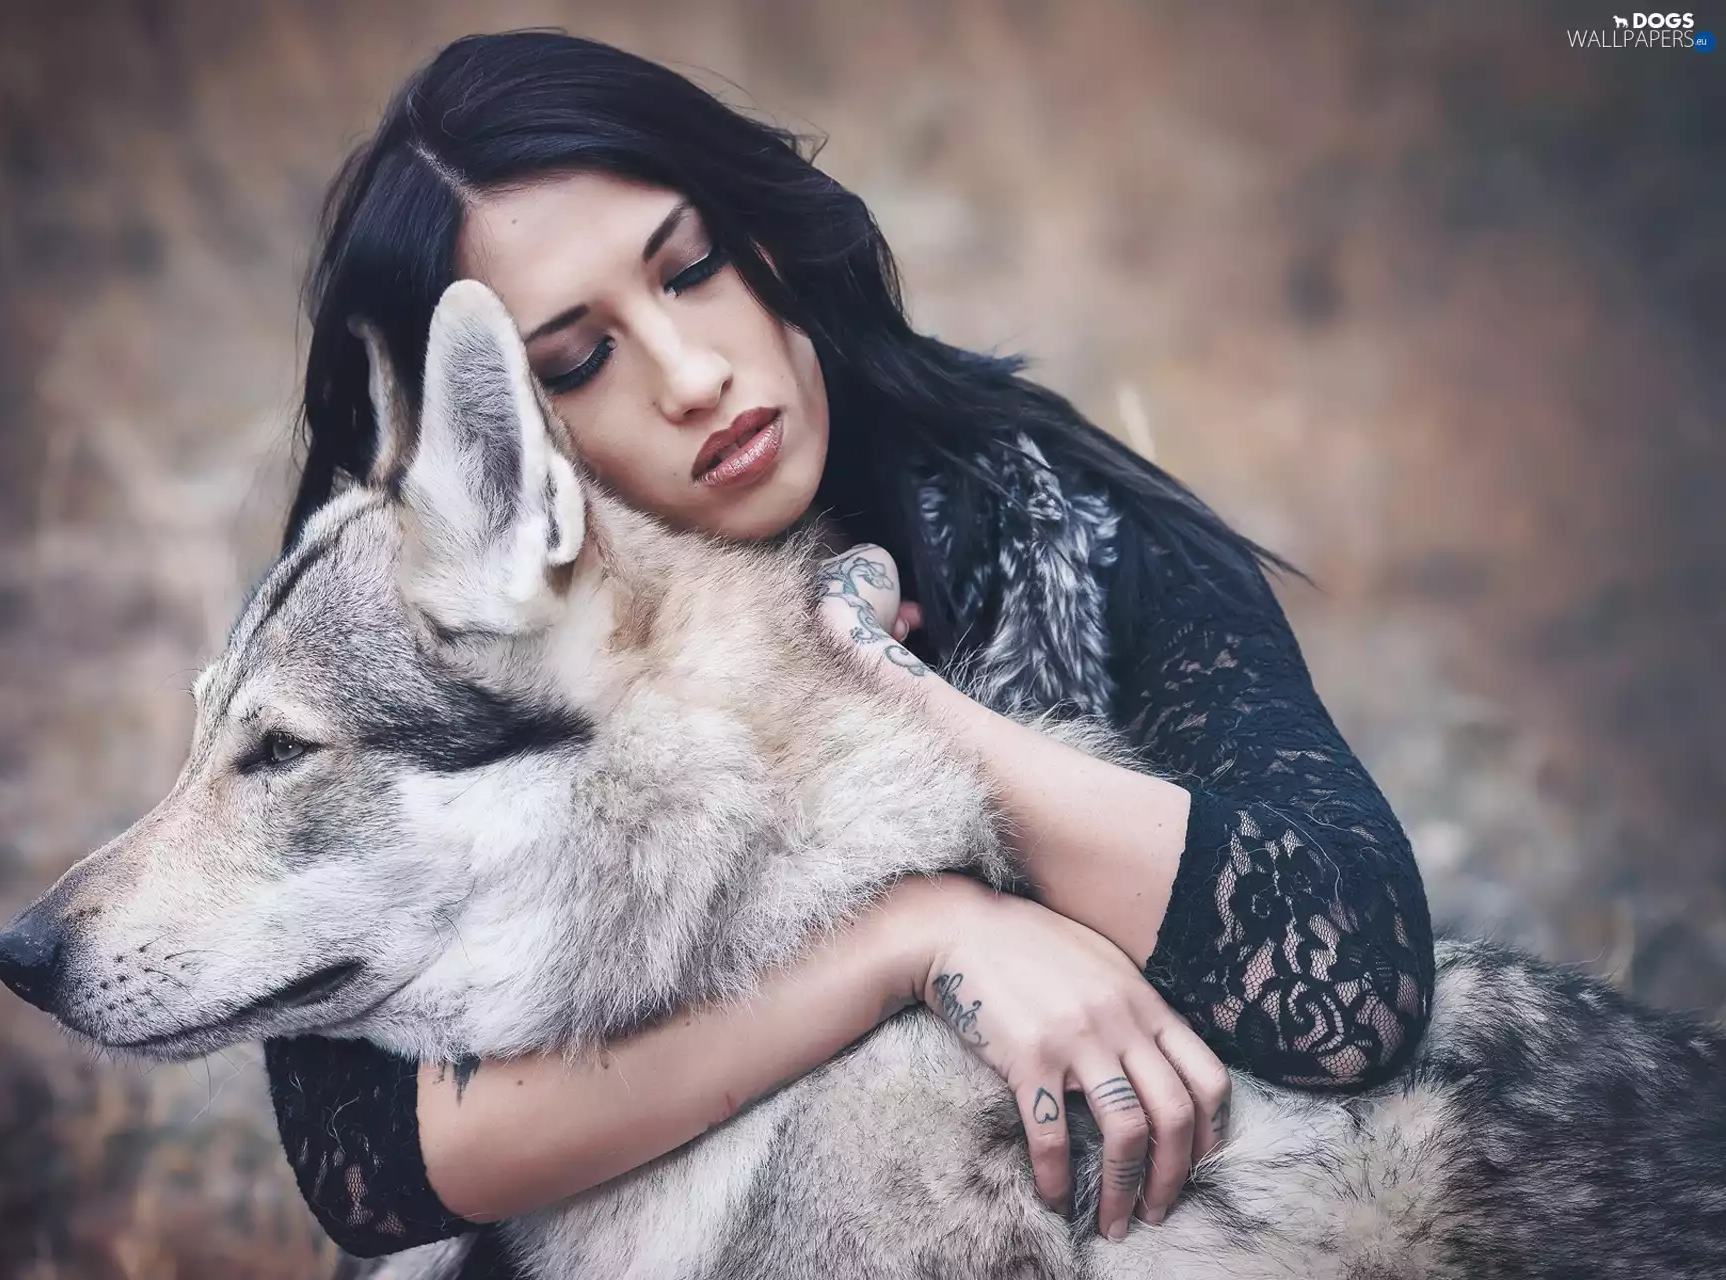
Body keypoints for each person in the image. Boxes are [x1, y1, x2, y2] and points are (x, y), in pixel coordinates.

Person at [264, 29, 1434, 1272]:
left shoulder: (1046, 518)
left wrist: (890, 693)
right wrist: (920, 939)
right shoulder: (427, 639)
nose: (695, 372)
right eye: (579, 361)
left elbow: (1354, 984)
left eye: (692, 266)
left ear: (761, 239)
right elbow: (372, 1166)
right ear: (486, 426)